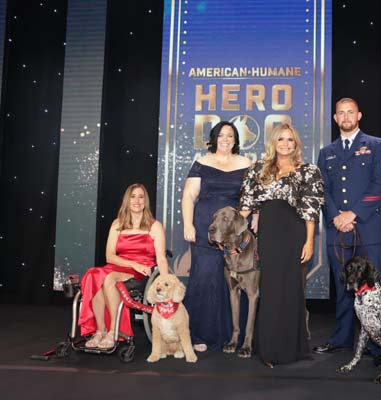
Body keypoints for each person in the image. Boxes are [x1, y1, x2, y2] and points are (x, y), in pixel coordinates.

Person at [239, 123, 324, 366]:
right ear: (273, 143)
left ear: (296, 144)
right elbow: (245, 207)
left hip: (294, 234)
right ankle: (269, 349)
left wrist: (309, 240)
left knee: (291, 290)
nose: (286, 144)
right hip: (269, 235)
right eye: (281, 140)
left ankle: (291, 349)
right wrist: (226, 223)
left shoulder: (308, 171)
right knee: (271, 289)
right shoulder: (258, 170)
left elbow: (310, 210)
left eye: (291, 140)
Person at [314, 98, 381, 354]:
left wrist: (353, 214)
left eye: (350, 112)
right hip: (338, 230)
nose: (346, 116)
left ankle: (378, 345)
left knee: (373, 290)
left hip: (368, 229)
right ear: (335, 118)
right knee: (343, 287)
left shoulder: (377, 145)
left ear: (359, 115)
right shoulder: (327, 152)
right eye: (341, 113)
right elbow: (322, 190)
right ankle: (342, 338)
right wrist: (336, 216)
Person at [182, 121, 252, 352]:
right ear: (214, 138)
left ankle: (231, 336)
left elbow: (251, 199)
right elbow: (189, 196)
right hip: (205, 229)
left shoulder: (246, 163)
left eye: (230, 135)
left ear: (235, 140)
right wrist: (188, 225)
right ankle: (199, 335)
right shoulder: (202, 163)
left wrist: (246, 222)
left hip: (233, 235)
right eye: (221, 135)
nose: (225, 139)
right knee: (204, 278)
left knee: (233, 282)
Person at [78, 183, 169, 348]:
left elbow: (161, 258)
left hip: (142, 271)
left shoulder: (155, 226)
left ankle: (114, 332)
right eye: (133, 196)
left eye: (141, 197)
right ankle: (100, 330)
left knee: (110, 278)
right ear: (127, 200)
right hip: (122, 265)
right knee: (92, 274)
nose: (137, 200)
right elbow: (110, 257)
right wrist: (133, 264)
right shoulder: (117, 224)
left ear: (145, 201)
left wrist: (165, 283)